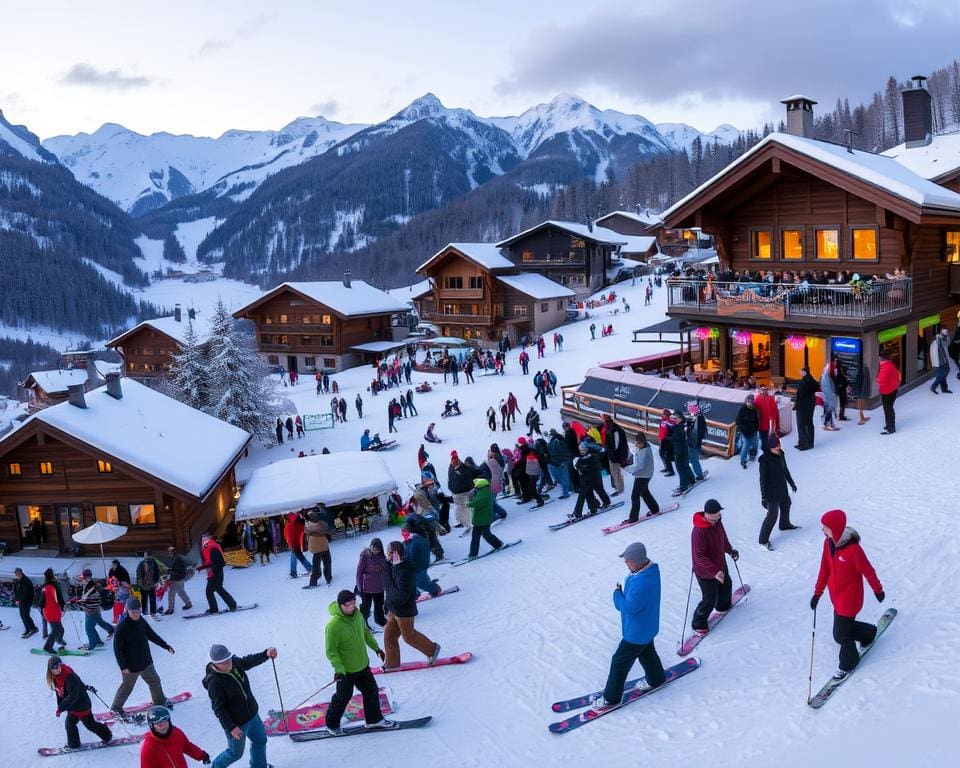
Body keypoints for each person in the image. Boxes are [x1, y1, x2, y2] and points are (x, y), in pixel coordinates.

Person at [589, 542, 666, 710]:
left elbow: (629, 608)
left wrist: (617, 594)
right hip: (648, 626)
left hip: (636, 632)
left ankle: (611, 698)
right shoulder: (651, 572)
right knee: (647, 653)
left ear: (638, 561)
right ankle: (656, 678)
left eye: (628, 561)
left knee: (619, 662)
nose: (626, 563)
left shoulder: (641, 582)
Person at [810, 509, 885, 681]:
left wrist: (878, 590)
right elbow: (825, 569)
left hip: (850, 599)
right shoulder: (827, 544)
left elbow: (868, 571)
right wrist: (817, 593)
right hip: (836, 597)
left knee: (841, 635)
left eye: (825, 528)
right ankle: (868, 633)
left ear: (835, 529)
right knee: (840, 633)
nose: (822, 531)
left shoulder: (853, 551)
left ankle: (848, 663)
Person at [324, 590, 393, 736]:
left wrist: (377, 649)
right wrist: (339, 669)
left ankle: (374, 720)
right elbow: (331, 651)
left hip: (362, 665)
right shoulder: (333, 626)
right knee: (343, 697)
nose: (351, 607)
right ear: (340, 605)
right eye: (347, 605)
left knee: (371, 690)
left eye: (353, 603)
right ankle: (331, 724)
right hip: (346, 670)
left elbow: (366, 634)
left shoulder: (358, 615)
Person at [202, 644, 277, 768]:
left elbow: (248, 661)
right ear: (215, 663)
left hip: (252, 714)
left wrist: (265, 654)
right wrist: (231, 727)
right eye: (223, 662)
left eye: (228, 659)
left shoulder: (235, 663)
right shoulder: (214, 682)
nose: (228, 663)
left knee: (260, 740)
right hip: (237, 724)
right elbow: (219, 709)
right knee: (234, 753)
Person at [111, 597, 175, 714]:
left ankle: (159, 701)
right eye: (133, 612)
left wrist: (165, 646)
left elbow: (151, 635)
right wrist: (123, 666)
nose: (136, 614)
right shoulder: (121, 627)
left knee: (155, 681)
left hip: (146, 661)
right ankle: (116, 708)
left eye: (138, 611)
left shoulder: (141, 621)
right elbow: (117, 649)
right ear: (127, 611)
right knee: (127, 687)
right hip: (131, 666)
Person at [383, 542, 441, 670]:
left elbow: (401, 596)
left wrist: (391, 574)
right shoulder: (392, 567)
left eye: (390, 552)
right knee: (389, 636)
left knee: (409, 637)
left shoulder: (404, 571)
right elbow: (388, 586)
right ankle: (392, 664)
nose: (387, 555)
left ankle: (432, 650)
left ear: (397, 553)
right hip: (394, 609)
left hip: (404, 612)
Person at [690, 500, 739, 636]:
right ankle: (698, 623)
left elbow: (722, 538)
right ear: (706, 514)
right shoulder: (699, 531)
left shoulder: (717, 522)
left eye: (718, 513)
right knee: (709, 599)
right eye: (714, 514)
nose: (717, 516)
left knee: (726, 585)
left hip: (719, 563)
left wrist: (730, 550)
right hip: (704, 571)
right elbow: (699, 556)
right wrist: (714, 571)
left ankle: (723, 606)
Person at [46, 656, 113, 750]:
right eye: (53, 667)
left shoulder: (69, 676)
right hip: (74, 705)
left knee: (82, 724)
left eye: (58, 666)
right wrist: (61, 706)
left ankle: (105, 736)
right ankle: (104, 736)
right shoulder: (55, 677)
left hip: (80, 706)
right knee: (82, 724)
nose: (56, 669)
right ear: (50, 669)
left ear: (61, 665)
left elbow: (73, 695)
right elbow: (60, 692)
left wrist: (61, 708)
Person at [757, 434, 799, 550]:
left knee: (786, 504)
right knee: (772, 515)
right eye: (775, 446)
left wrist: (791, 483)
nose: (778, 447)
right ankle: (763, 540)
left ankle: (784, 524)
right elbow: (762, 480)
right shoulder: (764, 460)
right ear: (770, 447)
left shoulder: (781, 454)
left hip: (782, 487)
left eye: (779, 445)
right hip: (771, 492)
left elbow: (785, 470)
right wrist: (764, 497)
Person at [140, 705, 209, 768]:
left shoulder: (176, 733)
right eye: (157, 724)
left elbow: (187, 746)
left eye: (164, 721)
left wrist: (202, 755)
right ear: (152, 726)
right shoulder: (149, 747)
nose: (162, 727)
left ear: (169, 721)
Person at [623, 432, 659, 523]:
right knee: (644, 493)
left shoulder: (644, 451)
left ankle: (633, 518)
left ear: (643, 442)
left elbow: (640, 466)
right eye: (636, 442)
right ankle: (654, 509)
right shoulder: (645, 448)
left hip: (642, 476)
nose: (636, 444)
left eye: (638, 443)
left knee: (634, 496)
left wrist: (628, 469)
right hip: (645, 474)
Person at [569, 440, 611, 519]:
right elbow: (577, 467)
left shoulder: (592, 456)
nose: (581, 451)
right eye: (580, 450)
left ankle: (578, 513)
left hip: (594, 478)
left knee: (598, 490)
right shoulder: (581, 459)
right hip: (586, 480)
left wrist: (583, 467)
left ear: (586, 449)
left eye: (582, 450)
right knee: (588, 493)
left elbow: (596, 467)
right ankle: (593, 508)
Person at [198, 534, 238, 614]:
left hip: (216, 573)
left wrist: (212, 568)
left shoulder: (212, 548)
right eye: (202, 540)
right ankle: (231, 605)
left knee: (210, 591)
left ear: (208, 539)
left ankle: (215, 609)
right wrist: (201, 568)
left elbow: (220, 562)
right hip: (213, 573)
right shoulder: (207, 549)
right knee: (218, 590)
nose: (203, 542)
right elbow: (209, 562)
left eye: (204, 539)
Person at [466, 478, 504, 559]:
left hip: (483, 518)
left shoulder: (483, 493)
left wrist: (469, 504)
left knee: (484, 534)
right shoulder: (484, 491)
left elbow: (479, 503)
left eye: (476, 486)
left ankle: (498, 545)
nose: (475, 487)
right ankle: (473, 554)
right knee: (478, 535)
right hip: (482, 518)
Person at [77, 569, 115, 650]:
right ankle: (98, 641)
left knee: (88, 629)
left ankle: (92, 645)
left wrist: (78, 603)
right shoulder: (88, 585)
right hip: (92, 611)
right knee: (93, 627)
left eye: (83, 578)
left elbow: (88, 600)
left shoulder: (91, 588)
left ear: (87, 578)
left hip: (91, 611)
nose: (82, 579)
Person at [356, 538, 388, 629]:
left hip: (379, 587)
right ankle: (362, 624)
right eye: (374, 549)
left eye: (377, 550)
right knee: (366, 606)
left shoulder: (383, 558)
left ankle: (380, 620)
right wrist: (359, 586)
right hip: (367, 587)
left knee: (379, 605)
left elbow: (386, 571)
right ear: (370, 547)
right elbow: (359, 572)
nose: (375, 551)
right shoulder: (365, 557)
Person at [602, 414, 629, 496]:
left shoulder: (615, 430)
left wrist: (612, 453)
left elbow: (617, 446)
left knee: (616, 472)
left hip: (616, 456)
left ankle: (620, 489)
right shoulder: (611, 429)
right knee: (615, 472)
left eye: (605, 421)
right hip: (613, 455)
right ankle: (618, 486)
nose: (604, 423)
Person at [447, 451, 476, 528]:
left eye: (454, 458)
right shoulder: (451, 467)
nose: (453, 460)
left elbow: (468, 478)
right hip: (456, 492)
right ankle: (460, 521)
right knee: (460, 507)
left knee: (465, 507)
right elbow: (450, 478)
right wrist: (450, 486)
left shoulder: (463, 468)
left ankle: (470, 523)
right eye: (452, 458)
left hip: (464, 492)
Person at [304, 510, 332, 588]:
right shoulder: (323, 524)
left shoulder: (308, 526)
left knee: (316, 565)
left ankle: (313, 581)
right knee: (327, 563)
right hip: (324, 546)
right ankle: (328, 578)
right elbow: (327, 530)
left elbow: (307, 533)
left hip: (315, 548)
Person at [41, 568, 66, 654]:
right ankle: (48, 646)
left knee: (60, 629)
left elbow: (42, 601)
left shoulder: (45, 586)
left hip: (48, 611)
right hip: (52, 611)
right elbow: (58, 599)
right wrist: (62, 606)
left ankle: (60, 641)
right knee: (56, 630)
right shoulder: (52, 586)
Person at [794, 367, 819, 451]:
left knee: (801, 424)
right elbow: (817, 386)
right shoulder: (811, 380)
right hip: (811, 404)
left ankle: (803, 444)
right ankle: (810, 442)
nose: (800, 373)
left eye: (801, 371)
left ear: (804, 372)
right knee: (809, 423)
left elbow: (800, 394)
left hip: (802, 405)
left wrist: (796, 400)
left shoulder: (804, 382)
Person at [876, 353, 901, 435]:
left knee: (888, 409)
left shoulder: (885, 367)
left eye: (879, 357)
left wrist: (877, 378)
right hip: (893, 389)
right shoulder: (890, 365)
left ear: (882, 358)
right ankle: (889, 425)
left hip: (887, 391)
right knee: (889, 408)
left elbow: (880, 379)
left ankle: (891, 427)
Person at [163, 547, 193, 614]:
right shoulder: (175, 557)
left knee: (176, 593)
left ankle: (172, 609)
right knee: (177, 593)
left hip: (177, 579)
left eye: (169, 551)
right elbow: (176, 569)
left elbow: (179, 570)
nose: (168, 553)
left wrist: (171, 572)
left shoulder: (177, 559)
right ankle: (187, 604)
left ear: (172, 551)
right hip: (178, 578)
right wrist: (170, 571)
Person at [283, 512, 311, 579]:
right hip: (296, 543)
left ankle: (309, 569)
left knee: (298, 557)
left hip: (294, 543)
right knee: (297, 556)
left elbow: (287, 535)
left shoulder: (290, 526)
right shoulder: (299, 525)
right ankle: (294, 572)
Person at [736, 395, 760, 467]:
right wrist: (743, 430)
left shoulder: (754, 409)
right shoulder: (742, 409)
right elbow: (738, 421)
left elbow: (757, 420)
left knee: (755, 444)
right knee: (745, 446)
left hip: (753, 431)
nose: (749, 402)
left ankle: (752, 455)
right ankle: (743, 460)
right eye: (748, 400)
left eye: (751, 400)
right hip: (745, 432)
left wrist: (756, 428)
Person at [754, 385, 780, 452]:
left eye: (766, 389)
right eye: (763, 389)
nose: (764, 391)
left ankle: (767, 448)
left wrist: (775, 421)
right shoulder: (757, 399)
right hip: (761, 423)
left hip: (769, 423)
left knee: (767, 437)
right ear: (760, 390)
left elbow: (774, 410)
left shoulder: (770, 398)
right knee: (763, 438)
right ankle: (764, 449)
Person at [14, 567, 38, 638]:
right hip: (21, 601)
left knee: (25, 615)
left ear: (21, 573)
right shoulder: (18, 580)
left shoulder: (25, 581)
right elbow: (16, 590)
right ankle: (28, 628)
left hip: (27, 601)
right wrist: (16, 599)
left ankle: (32, 628)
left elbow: (25, 592)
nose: (17, 575)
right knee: (22, 615)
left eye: (18, 573)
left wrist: (20, 600)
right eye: (16, 574)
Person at [137, 551, 161, 617]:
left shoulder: (141, 563)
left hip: (144, 585)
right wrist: (155, 582)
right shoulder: (153, 563)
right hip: (150, 585)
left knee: (144, 600)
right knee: (152, 599)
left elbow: (138, 574)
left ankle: (145, 612)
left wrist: (140, 583)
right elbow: (157, 573)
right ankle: (152, 613)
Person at [930, 328, 952, 394]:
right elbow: (932, 354)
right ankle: (934, 387)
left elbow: (948, 343)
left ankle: (944, 388)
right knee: (940, 376)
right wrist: (934, 364)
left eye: (945, 336)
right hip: (938, 363)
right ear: (940, 335)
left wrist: (947, 335)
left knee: (944, 374)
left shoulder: (944, 340)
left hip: (945, 361)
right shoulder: (935, 342)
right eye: (944, 336)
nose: (944, 337)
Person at [820, 361, 840, 431]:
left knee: (828, 411)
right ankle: (827, 424)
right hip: (829, 397)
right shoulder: (826, 377)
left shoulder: (826, 376)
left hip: (828, 397)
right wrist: (832, 396)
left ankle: (827, 424)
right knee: (829, 411)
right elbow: (828, 388)